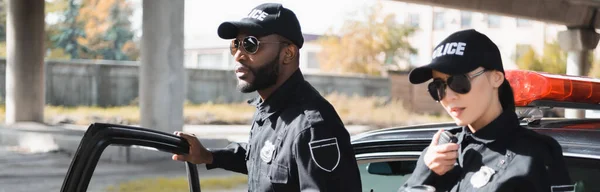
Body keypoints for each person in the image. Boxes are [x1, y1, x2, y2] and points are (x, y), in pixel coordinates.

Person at [172, 3, 362, 191]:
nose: (238, 55)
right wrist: (208, 155)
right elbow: (265, 156)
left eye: (251, 44)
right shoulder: (270, 110)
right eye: (236, 44)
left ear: (288, 54)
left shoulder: (313, 128)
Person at [398, 29, 572, 192]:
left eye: (459, 81)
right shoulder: (438, 153)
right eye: (438, 87)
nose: (448, 96)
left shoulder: (534, 154)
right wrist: (424, 172)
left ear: (496, 78)